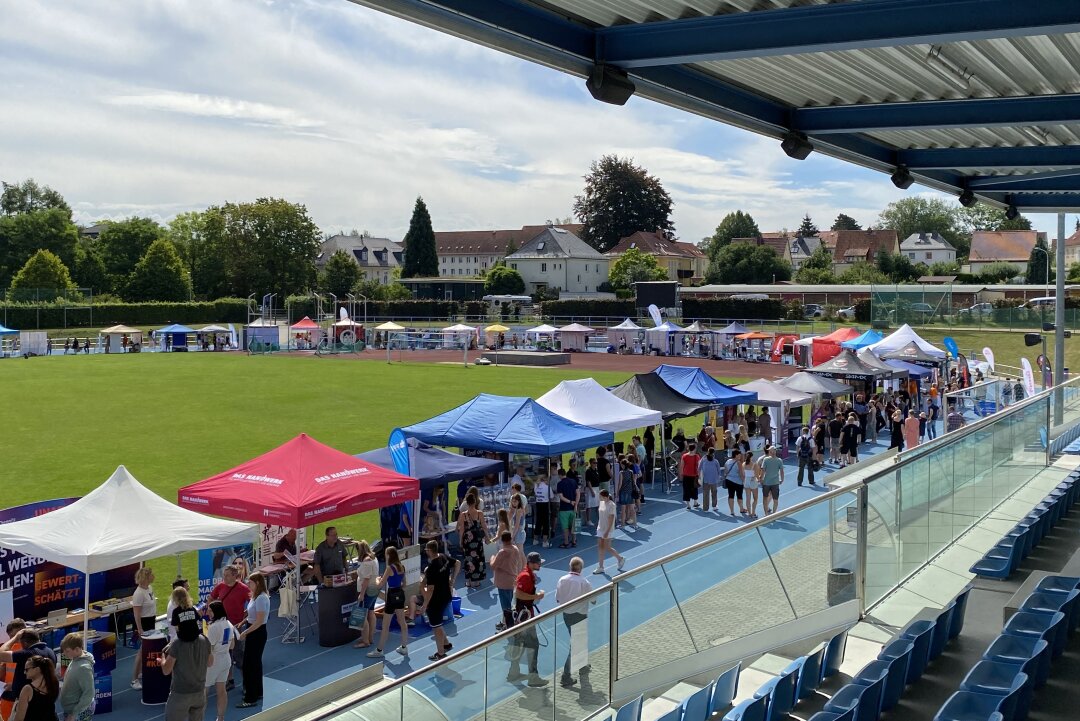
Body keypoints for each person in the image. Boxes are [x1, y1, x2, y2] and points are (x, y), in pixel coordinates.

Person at [162, 609, 212, 721]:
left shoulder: (176, 644)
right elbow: (210, 663)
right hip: (199, 692)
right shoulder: (204, 639)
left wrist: (162, 659)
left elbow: (166, 670)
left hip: (180, 694)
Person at [508, 552, 547, 687]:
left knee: (518, 644)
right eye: (538, 562)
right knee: (533, 645)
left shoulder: (527, 574)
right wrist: (537, 597)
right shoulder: (525, 576)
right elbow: (519, 593)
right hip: (525, 617)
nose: (540, 564)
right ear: (530, 563)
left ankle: (513, 673)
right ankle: (533, 677)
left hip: (522, 616)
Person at [207, 564, 248, 690]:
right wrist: (211, 612)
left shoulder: (243, 589)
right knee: (225, 653)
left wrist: (245, 615)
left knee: (238, 654)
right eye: (224, 575)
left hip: (235, 627)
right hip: (222, 626)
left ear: (235, 576)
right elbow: (211, 598)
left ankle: (247, 682)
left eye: (227, 575)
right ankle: (229, 680)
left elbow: (253, 604)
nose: (224, 577)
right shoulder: (221, 586)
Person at [0, 630, 56, 721]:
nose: (25, 672)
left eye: (27, 669)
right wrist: (14, 684)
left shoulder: (27, 654)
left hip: (28, 706)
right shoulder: (51, 652)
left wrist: (15, 638)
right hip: (46, 705)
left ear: (25, 643)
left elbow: (1, 654)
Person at [555, 557, 592, 688]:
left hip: (566, 614)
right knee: (577, 644)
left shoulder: (562, 580)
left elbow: (558, 598)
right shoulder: (584, 582)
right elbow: (593, 599)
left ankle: (582, 666)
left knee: (577, 642)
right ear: (580, 568)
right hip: (580, 615)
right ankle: (566, 676)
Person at [367, 546, 409, 658]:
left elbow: (380, 585)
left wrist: (377, 579)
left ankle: (379, 649)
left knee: (386, 625)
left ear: (389, 555)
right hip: (400, 594)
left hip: (391, 595)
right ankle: (404, 647)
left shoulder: (390, 568)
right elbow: (404, 585)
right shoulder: (402, 567)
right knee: (402, 622)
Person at [417, 541, 455, 661]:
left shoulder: (431, 568)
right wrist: (453, 579)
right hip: (446, 596)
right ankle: (446, 644)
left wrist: (425, 605)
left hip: (436, 600)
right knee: (437, 623)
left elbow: (431, 589)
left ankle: (440, 653)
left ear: (429, 551)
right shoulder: (443, 557)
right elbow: (457, 563)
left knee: (436, 626)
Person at [236, 572, 269, 708]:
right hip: (253, 629)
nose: (248, 584)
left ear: (258, 583)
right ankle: (257, 691)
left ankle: (250, 697)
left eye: (250, 582)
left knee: (250, 665)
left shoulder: (261, 598)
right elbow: (252, 615)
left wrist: (245, 632)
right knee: (254, 663)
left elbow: (260, 621)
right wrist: (244, 621)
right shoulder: (255, 597)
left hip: (257, 632)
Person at [204, 601, 235, 721]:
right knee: (221, 690)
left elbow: (209, 649)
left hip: (214, 660)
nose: (208, 613)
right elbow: (232, 645)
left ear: (216, 611)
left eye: (210, 610)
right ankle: (220, 718)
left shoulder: (213, 627)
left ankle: (198, 717)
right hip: (226, 659)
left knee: (204, 691)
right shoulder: (229, 624)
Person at [490, 531, 525, 630]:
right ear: (511, 539)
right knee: (509, 603)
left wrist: (492, 557)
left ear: (502, 540)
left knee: (506, 608)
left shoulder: (502, 552)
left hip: (503, 582)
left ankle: (508, 627)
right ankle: (504, 622)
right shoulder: (515, 549)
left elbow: (493, 565)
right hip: (512, 580)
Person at [130, 566, 156, 690]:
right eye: (151, 575)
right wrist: (139, 629)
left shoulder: (149, 588)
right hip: (143, 623)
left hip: (150, 621)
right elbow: (137, 613)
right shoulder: (138, 593)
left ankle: (140, 672)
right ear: (146, 577)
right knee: (141, 652)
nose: (154, 576)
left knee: (145, 650)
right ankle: (134, 679)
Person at [58, 633, 95, 721]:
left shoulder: (83, 668)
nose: (64, 654)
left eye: (67, 651)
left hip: (77, 712)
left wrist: (74, 714)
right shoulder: (76, 658)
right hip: (73, 709)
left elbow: (89, 693)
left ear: (77, 649)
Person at [12, 655, 57, 721]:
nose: (24, 672)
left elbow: (19, 718)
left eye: (26, 670)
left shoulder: (28, 689)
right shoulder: (54, 683)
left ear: (37, 669)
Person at [353, 541, 380, 649]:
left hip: (368, 590)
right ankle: (370, 637)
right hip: (374, 588)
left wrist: (361, 594)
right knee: (371, 612)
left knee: (362, 615)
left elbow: (366, 579)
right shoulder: (374, 558)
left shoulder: (366, 561)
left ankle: (365, 641)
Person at [459, 494, 487, 589]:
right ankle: (477, 580)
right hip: (477, 540)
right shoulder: (480, 513)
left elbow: (462, 529)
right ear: (475, 502)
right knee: (478, 559)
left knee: (468, 559)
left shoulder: (463, 515)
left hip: (468, 540)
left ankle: (469, 581)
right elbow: (484, 527)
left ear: (466, 503)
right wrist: (487, 537)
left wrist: (460, 541)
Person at [594, 488, 625, 575]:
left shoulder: (612, 505)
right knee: (600, 547)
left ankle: (620, 558)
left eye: (600, 496)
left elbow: (611, 519)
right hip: (600, 528)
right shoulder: (601, 503)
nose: (599, 498)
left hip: (608, 529)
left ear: (605, 496)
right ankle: (601, 567)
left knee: (607, 547)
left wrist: (607, 531)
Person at [1, 618, 26, 721]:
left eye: (15, 636)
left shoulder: (28, 650)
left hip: (21, 695)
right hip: (7, 693)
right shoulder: (9, 648)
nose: (13, 639)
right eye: (11, 637)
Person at [556, 467, 580, 548]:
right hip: (573, 508)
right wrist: (575, 504)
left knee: (565, 527)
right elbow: (578, 493)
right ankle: (574, 541)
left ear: (559, 475)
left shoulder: (559, 484)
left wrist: (570, 502)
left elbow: (561, 497)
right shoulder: (573, 481)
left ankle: (566, 542)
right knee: (574, 525)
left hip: (564, 508)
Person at [759, 447, 785, 515]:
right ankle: (774, 514)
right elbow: (782, 471)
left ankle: (766, 514)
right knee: (775, 499)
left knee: (765, 499)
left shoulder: (766, 459)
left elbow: (763, 471)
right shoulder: (779, 460)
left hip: (766, 482)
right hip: (775, 482)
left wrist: (761, 479)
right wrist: (782, 479)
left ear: (770, 452)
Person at [698, 448, 722, 512]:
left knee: (706, 494)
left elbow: (699, 468)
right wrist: (719, 477)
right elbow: (719, 471)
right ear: (714, 453)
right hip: (714, 480)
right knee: (714, 493)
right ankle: (714, 506)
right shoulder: (716, 461)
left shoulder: (703, 460)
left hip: (706, 480)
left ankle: (705, 508)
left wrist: (699, 476)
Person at [723, 450, 746, 516]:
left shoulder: (727, 461)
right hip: (738, 482)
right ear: (736, 455)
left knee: (730, 495)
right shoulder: (738, 463)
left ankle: (732, 511)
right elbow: (741, 474)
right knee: (739, 496)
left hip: (729, 480)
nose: (740, 456)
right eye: (739, 454)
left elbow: (725, 471)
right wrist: (744, 481)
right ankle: (741, 509)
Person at [680, 442, 701, 510]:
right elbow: (699, 466)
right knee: (695, 489)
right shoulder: (697, 456)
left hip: (686, 475)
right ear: (694, 449)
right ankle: (695, 502)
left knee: (686, 489)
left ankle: (688, 504)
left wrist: (681, 473)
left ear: (688, 448)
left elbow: (682, 466)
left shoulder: (684, 456)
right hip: (694, 475)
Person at [533, 474, 552, 548]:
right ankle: (545, 541)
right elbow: (552, 496)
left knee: (538, 522)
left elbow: (535, 494)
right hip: (545, 504)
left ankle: (535, 540)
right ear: (545, 479)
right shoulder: (547, 487)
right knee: (545, 523)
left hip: (538, 504)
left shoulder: (536, 485)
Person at [742, 451, 760, 519]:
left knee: (748, 499)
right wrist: (759, 479)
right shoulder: (754, 464)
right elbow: (756, 475)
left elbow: (743, 474)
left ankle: (749, 513)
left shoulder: (743, 464)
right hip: (753, 481)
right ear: (752, 456)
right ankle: (753, 512)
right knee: (755, 498)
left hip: (746, 481)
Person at [582, 458, 599, 526]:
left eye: (596, 463)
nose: (595, 464)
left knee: (597, 505)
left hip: (597, 488)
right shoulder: (588, 471)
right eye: (594, 463)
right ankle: (588, 520)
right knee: (589, 505)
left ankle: (599, 519)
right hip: (590, 489)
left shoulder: (596, 470)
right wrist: (592, 491)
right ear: (591, 463)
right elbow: (588, 481)